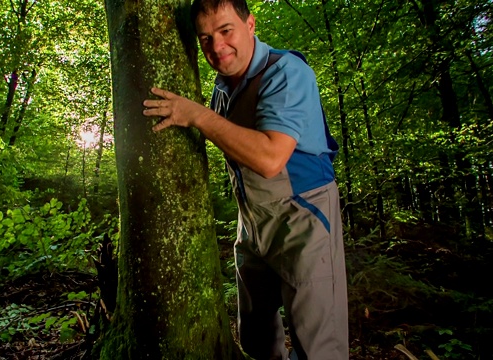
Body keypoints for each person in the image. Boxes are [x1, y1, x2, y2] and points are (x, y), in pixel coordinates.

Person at [142, 0, 348, 358]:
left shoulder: (287, 72)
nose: (217, 47)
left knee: (317, 345)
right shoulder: (222, 89)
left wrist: (198, 116)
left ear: (250, 24)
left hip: (304, 217)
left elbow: (270, 159)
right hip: (252, 222)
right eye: (205, 39)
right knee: (255, 337)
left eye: (225, 31)